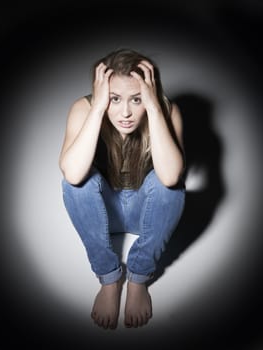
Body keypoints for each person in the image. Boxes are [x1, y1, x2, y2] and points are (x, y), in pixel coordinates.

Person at [59, 48, 186, 330]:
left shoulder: (167, 111)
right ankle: (110, 279)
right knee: (76, 183)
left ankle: (138, 279)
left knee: (171, 187)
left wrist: (154, 108)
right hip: (105, 210)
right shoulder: (84, 109)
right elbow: (72, 172)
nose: (125, 112)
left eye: (137, 99)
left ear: (151, 94)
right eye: (115, 99)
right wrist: (98, 108)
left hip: (147, 212)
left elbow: (171, 176)